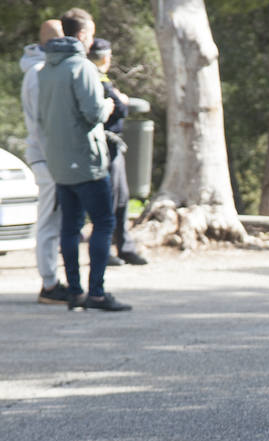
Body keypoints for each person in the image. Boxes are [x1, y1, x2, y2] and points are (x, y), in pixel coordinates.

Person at [38, 8, 130, 311]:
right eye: (90, 35)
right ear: (81, 36)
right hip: (86, 160)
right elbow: (93, 113)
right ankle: (97, 293)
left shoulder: (47, 68)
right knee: (103, 222)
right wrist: (109, 103)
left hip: (59, 161)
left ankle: (75, 292)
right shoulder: (81, 67)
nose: (91, 41)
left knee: (70, 226)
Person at [88, 38, 148, 266]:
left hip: (114, 146)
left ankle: (124, 246)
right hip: (104, 147)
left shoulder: (100, 78)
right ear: (106, 57)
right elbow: (120, 108)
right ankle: (104, 249)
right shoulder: (96, 78)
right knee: (108, 200)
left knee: (121, 198)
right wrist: (120, 100)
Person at [20, 19, 67, 304]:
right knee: (49, 221)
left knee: (54, 221)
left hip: (51, 157)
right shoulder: (38, 73)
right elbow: (43, 123)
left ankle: (53, 281)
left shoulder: (42, 70)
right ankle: (49, 284)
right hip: (48, 158)